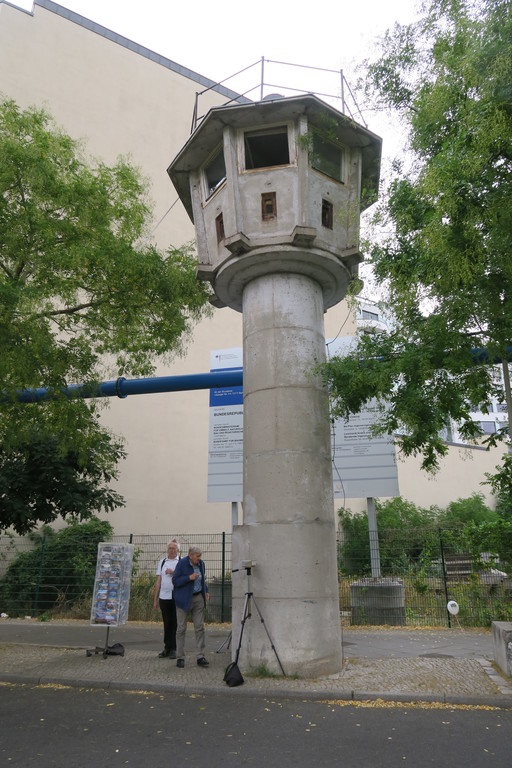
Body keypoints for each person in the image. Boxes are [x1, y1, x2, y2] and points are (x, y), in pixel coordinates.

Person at [172, 545, 210, 668]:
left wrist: (206, 590)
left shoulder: (201, 564)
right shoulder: (182, 564)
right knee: (181, 628)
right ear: (190, 555)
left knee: (199, 627)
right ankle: (180, 657)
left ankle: (200, 656)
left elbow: (202, 579)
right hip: (184, 599)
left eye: (200, 556)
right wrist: (189, 578)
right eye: (197, 556)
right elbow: (175, 581)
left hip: (198, 597)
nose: (199, 558)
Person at [153, 540, 180, 658]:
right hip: (164, 596)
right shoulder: (162, 562)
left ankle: (174, 648)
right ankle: (167, 647)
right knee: (166, 622)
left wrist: (173, 572)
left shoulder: (181, 561)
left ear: (177, 550)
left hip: (176, 595)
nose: (171, 550)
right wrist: (155, 599)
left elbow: (184, 576)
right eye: (170, 548)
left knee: (174, 622)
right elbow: (158, 580)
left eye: (174, 548)